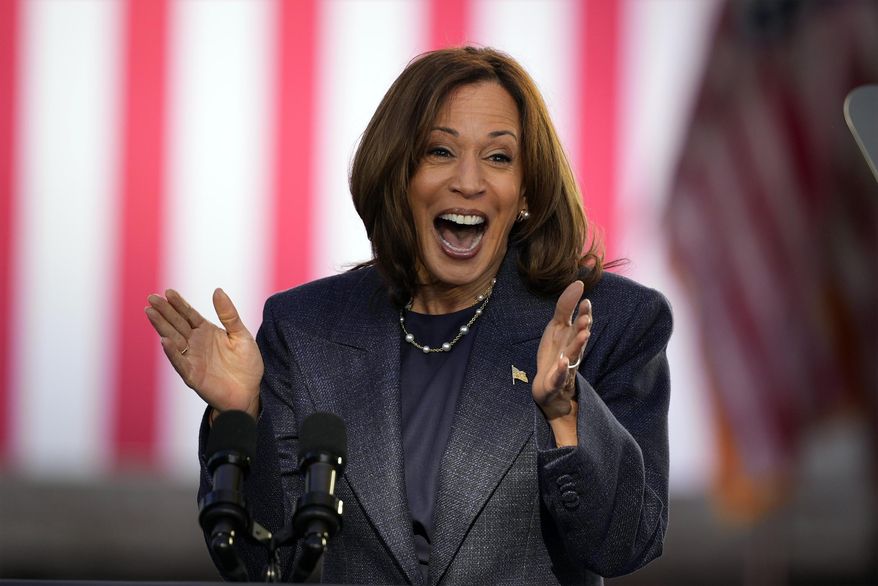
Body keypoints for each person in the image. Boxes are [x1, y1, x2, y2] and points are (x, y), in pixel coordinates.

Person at [145, 46, 672, 585]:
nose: (469, 181)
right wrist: (241, 413)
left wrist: (565, 413)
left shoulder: (609, 322)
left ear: (526, 192)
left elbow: (625, 544)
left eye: (498, 157)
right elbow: (266, 562)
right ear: (397, 173)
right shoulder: (304, 328)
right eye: (440, 151)